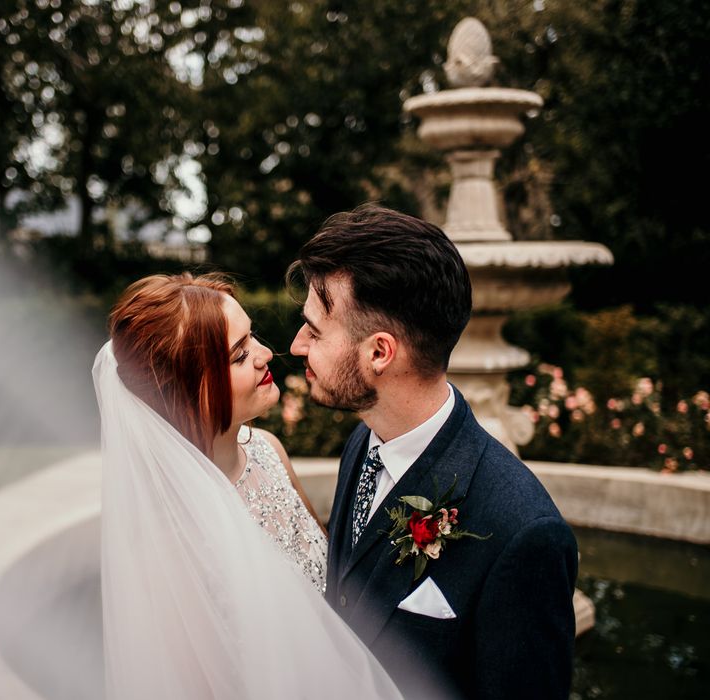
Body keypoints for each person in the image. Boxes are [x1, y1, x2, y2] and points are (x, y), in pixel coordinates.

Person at [288, 205, 578, 700]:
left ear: (380, 353)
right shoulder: (364, 441)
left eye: (315, 331)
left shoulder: (523, 533)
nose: (296, 346)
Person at [93, 272, 401, 700]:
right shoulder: (169, 542)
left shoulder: (269, 453)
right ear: (184, 392)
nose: (265, 354)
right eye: (238, 356)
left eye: (251, 336)